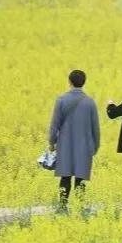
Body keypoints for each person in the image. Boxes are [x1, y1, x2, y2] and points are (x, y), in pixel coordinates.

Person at [48, 70, 100, 211]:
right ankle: (80, 207)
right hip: (84, 146)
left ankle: (62, 207)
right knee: (80, 178)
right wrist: (95, 147)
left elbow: (54, 125)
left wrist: (51, 143)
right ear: (84, 82)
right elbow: (95, 128)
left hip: (65, 145)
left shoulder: (61, 100)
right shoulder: (90, 103)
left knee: (65, 178)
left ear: (69, 82)